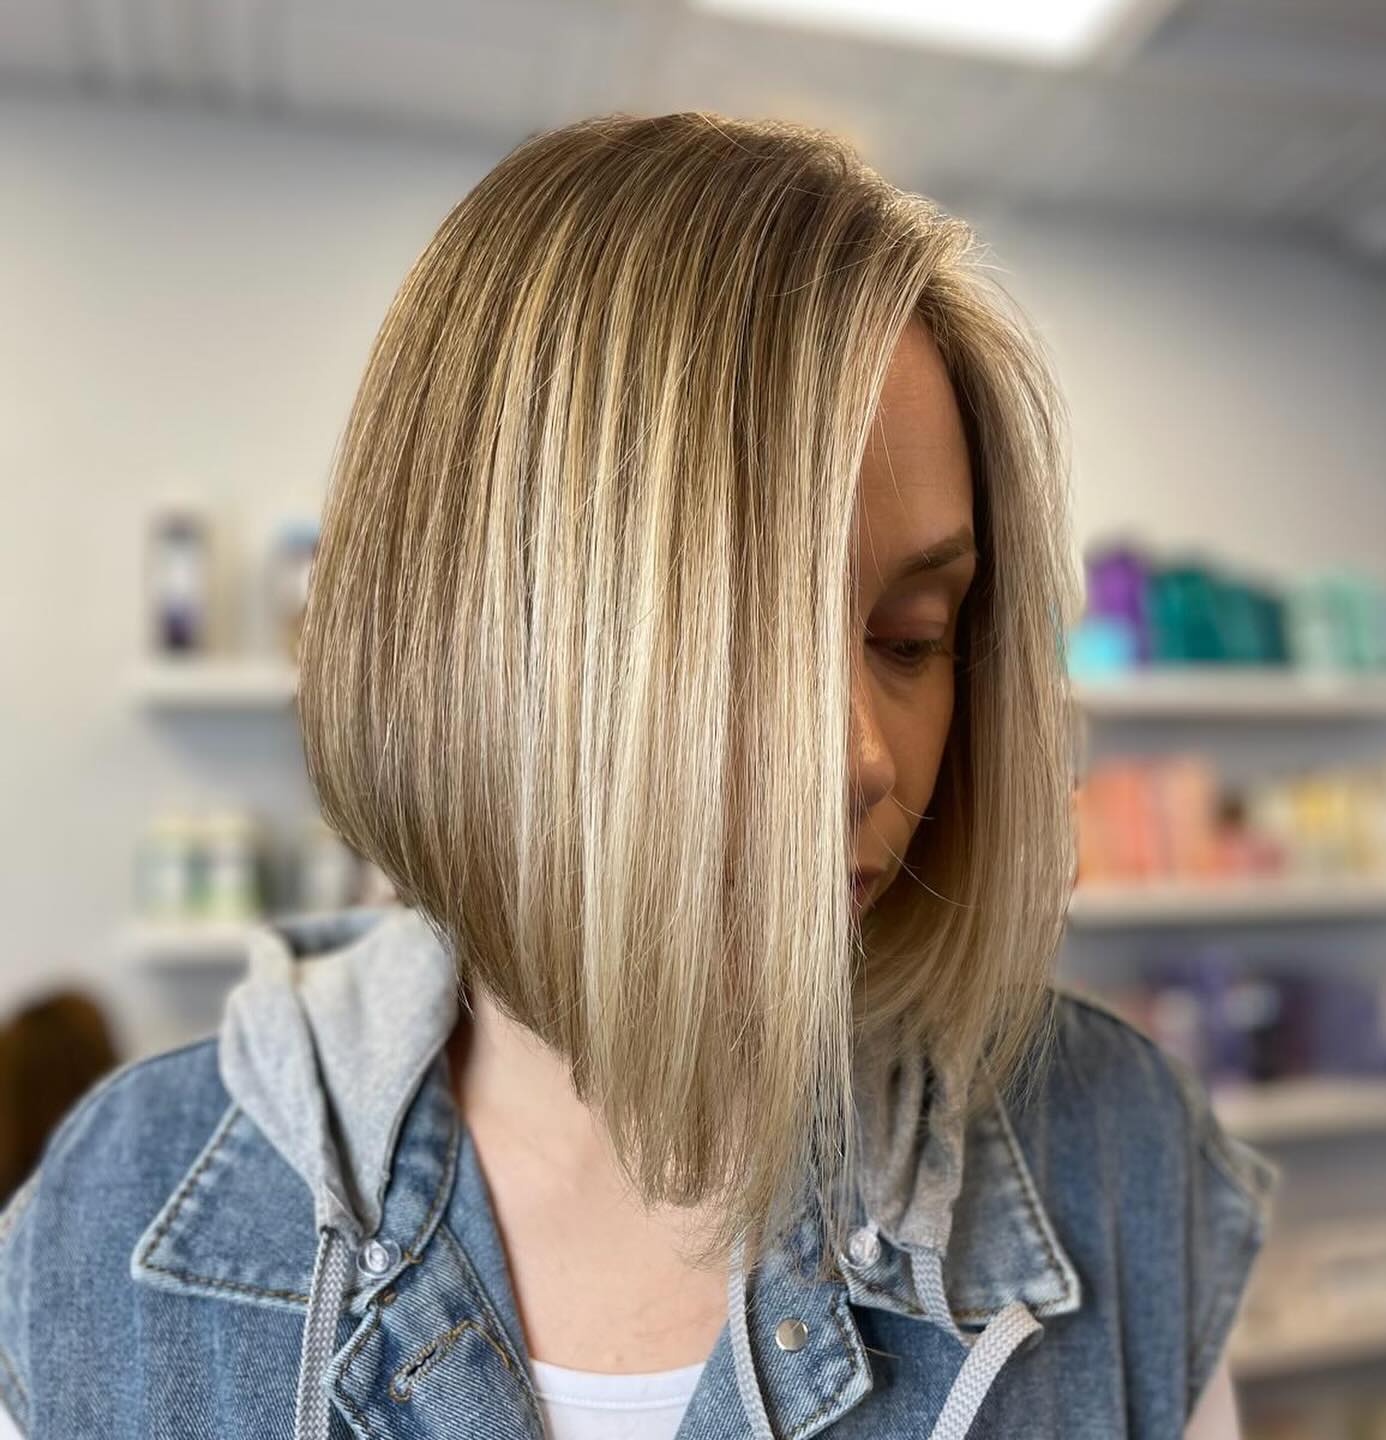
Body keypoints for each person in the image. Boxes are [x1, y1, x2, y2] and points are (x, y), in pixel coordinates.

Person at [0, 111, 1273, 1440]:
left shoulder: (1122, 1168)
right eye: (736, 644)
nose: (860, 759)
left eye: (911, 639)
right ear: (465, 641)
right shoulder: (111, 1237)